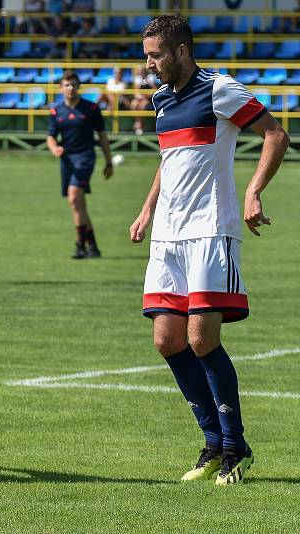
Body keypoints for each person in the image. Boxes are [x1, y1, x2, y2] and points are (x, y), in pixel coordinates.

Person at [131, 15, 289, 485]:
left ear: (181, 51)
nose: (150, 65)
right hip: (167, 235)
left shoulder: (220, 89)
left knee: (202, 339)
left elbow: (275, 135)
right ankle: (212, 442)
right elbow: (169, 160)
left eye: (156, 55)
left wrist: (253, 191)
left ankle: (234, 446)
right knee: (167, 340)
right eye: (146, 56)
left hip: (209, 231)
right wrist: (145, 210)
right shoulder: (161, 100)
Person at [46, 72, 113, 259]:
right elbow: (50, 136)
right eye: (67, 85)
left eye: (74, 85)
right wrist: (54, 148)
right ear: (61, 87)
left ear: (79, 87)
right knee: (79, 205)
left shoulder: (91, 108)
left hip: (85, 157)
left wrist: (108, 161)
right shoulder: (55, 110)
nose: (70, 88)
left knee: (74, 198)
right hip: (67, 160)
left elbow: (102, 136)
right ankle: (92, 245)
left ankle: (80, 245)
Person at [129, 65, 159, 135]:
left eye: (141, 70)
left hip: (148, 98)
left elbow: (154, 90)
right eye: (139, 70)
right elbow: (136, 92)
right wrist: (140, 96)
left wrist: (146, 95)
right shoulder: (137, 79)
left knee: (142, 105)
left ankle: (140, 125)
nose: (139, 71)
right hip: (140, 98)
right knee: (134, 104)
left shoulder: (150, 78)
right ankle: (138, 122)